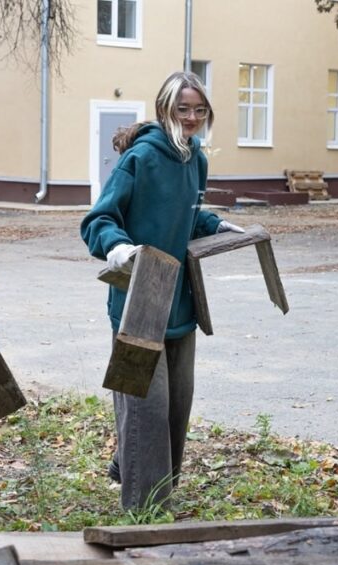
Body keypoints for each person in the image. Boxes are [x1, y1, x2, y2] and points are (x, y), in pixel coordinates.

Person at [80, 71, 244, 511]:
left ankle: (142, 475)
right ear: (165, 110)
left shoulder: (197, 160)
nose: (191, 117)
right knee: (144, 406)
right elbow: (99, 219)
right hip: (137, 301)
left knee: (175, 407)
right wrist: (115, 246)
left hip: (179, 302)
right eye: (182, 109)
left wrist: (213, 223)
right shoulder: (141, 158)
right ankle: (145, 506)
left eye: (199, 109)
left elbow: (186, 217)